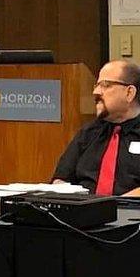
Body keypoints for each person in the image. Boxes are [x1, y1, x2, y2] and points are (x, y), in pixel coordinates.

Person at [52, 60, 140, 196]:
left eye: (105, 85)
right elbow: (61, 179)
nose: (96, 92)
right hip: (84, 212)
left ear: (129, 92)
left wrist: (113, 206)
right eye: (97, 85)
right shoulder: (88, 133)